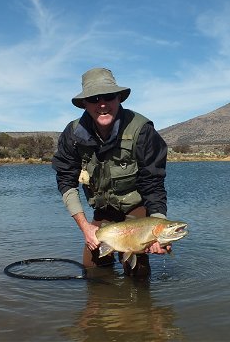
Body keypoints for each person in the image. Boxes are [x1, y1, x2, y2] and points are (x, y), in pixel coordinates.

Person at [52, 67, 169, 278]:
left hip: (136, 209)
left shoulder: (143, 131)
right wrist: (85, 227)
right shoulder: (73, 134)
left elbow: (154, 184)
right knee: (92, 270)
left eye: (108, 96)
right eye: (94, 98)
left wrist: (158, 231)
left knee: (138, 271)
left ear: (119, 98)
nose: (102, 104)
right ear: (85, 103)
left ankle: (142, 308)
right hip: (102, 212)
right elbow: (66, 181)